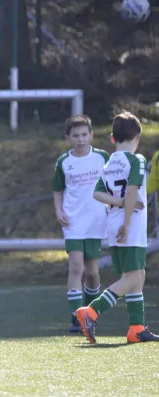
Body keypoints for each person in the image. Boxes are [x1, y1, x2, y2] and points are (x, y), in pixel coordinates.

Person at [76, 111, 159, 344]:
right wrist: (127, 222)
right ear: (137, 138)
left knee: (137, 274)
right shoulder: (137, 160)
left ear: (113, 139)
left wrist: (120, 207)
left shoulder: (110, 162)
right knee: (133, 276)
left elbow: (98, 193)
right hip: (129, 227)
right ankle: (91, 311)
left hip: (113, 224)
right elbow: (132, 190)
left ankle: (136, 328)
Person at [52, 115, 108, 333]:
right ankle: (77, 318)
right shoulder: (64, 162)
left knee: (93, 272)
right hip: (73, 220)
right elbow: (58, 190)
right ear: (68, 138)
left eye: (84, 135)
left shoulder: (103, 158)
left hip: (96, 220)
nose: (81, 139)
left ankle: (89, 313)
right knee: (76, 267)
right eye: (75, 135)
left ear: (91, 135)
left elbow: (113, 184)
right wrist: (59, 211)